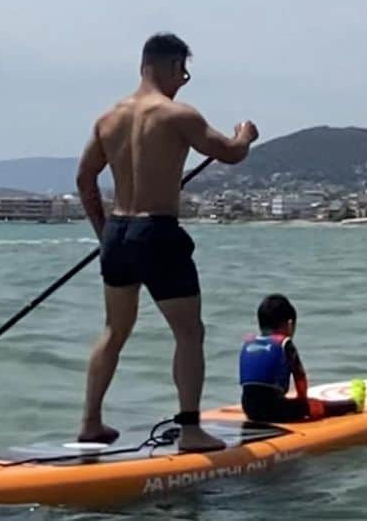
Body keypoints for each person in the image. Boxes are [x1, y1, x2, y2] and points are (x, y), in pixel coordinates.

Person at [75, 32, 259, 451]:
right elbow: (230, 153)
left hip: (119, 233)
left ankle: (90, 422)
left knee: (114, 330)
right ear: (171, 66)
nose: (183, 80)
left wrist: (105, 235)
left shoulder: (108, 119)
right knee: (189, 332)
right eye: (183, 72)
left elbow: (85, 180)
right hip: (157, 232)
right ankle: (191, 430)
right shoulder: (177, 115)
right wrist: (245, 134)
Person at [239, 294, 365, 422]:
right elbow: (300, 377)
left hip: (249, 409)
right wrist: (303, 403)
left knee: (267, 400)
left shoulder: (248, 342)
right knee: (316, 406)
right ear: (290, 324)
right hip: (275, 411)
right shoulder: (285, 343)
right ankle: (354, 404)